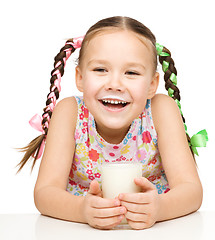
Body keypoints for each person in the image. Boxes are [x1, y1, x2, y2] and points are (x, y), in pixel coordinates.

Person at [18, 16, 208, 230]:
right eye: (100, 70)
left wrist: (160, 208)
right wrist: (81, 210)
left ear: (151, 85)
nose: (115, 84)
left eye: (131, 72)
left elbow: (191, 190)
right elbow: (45, 192)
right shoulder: (69, 113)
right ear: (80, 77)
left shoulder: (160, 110)